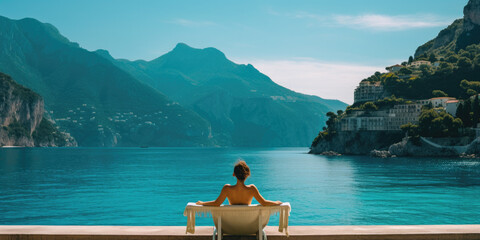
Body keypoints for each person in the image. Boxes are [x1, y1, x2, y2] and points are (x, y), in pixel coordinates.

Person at [196, 160, 282, 206]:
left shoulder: (227, 189)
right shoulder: (252, 189)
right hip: (249, 226)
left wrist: (202, 203)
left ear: (234, 174)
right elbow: (264, 203)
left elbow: (216, 203)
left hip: (230, 226)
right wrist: (276, 203)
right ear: (247, 175)